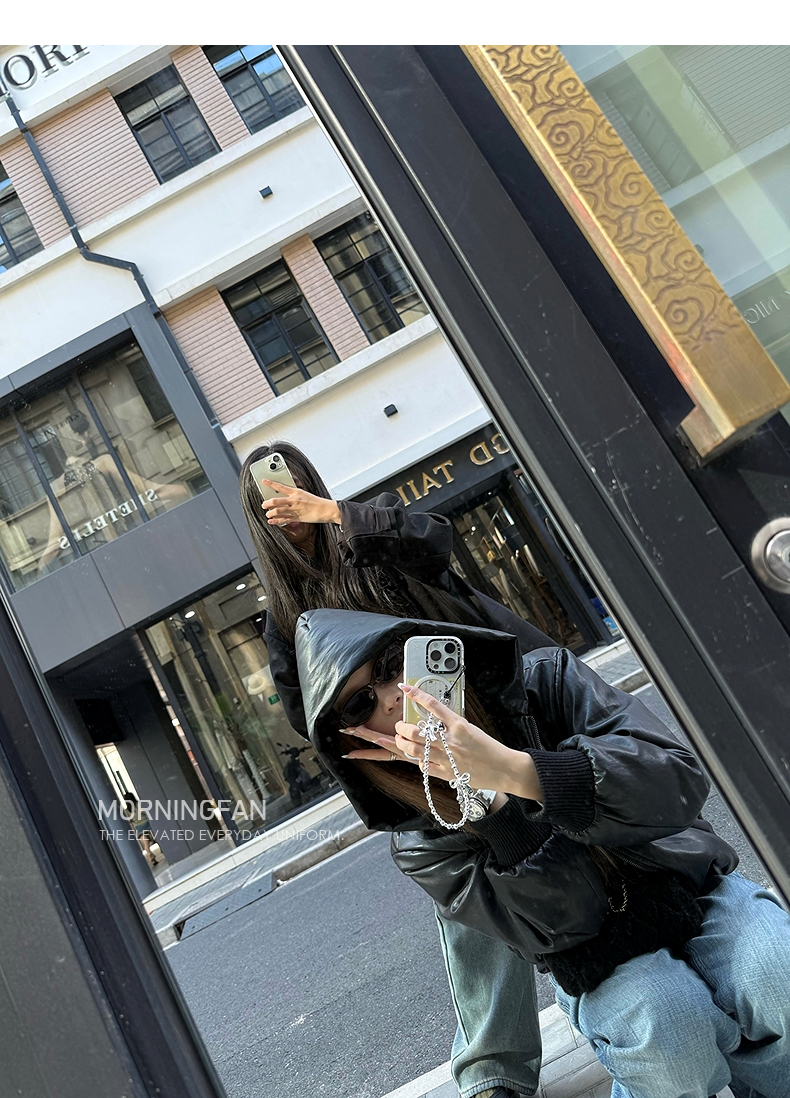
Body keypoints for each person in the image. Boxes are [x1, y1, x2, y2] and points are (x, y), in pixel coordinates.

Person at [293, 606, 790, 1098]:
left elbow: (676, 780)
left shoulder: (546, 680)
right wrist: (490, 803)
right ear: (348, 737)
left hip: (691, 881)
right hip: (593, 953)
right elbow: (554, 928)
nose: (392, 697)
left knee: (777, 970)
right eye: (359, 704)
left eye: (388, 666)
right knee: (665, 1024)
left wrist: (520, 771)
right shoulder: (419, 840)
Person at [239, 440, 556, 1098]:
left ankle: (629, 974)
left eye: (292, 484)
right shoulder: (283, 617)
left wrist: (334, 514)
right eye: (270, 494)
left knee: (571, 815)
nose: (285, 501)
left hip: (492, 710)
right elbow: (307, 716)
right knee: (468, 891)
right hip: (414, 757)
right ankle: (495, 1071)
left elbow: (435, 545)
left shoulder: (371, 531)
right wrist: (369, 723)